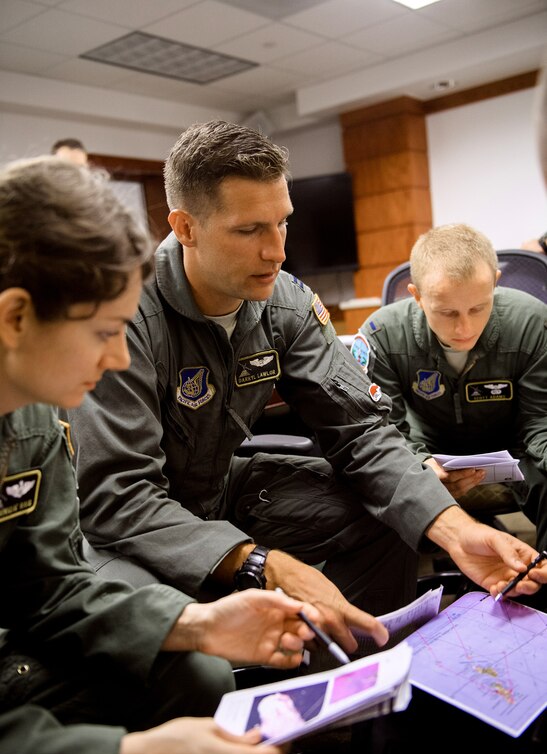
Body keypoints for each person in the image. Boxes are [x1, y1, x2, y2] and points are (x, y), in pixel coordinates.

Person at [66, 120, 544, 644]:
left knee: (394, 514)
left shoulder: (285, 300)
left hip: (221, 488)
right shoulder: (125, 314)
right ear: (185, 228)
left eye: (283, 224)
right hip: (125, 527)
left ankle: (362, 685)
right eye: (249, 230)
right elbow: (118, 495)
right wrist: (262, 564)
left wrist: (454, 529)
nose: (277, 251)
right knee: (177, 661)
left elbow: (360, 433)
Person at [0, 154, 367, 754]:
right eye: (105, 333)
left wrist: (193, 624)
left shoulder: (31, 411)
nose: (117, 359)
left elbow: (49, 585)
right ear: (15, 318)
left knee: (193, 669)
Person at [355, 223, 546, 601]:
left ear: (495, 281)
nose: (465, 327)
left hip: (517, 450)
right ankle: (393, 615)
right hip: (427, 454)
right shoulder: (381, 335)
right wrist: (420, 463)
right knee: (374, 483)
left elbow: (540, 420)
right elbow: (382, 431)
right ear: (417, 295)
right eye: (446, 312)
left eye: (479, 307)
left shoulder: (532, 321)